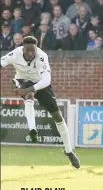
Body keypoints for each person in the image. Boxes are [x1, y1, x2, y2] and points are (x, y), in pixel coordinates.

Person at [0, 36, 80, 168]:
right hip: (23, 80)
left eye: (33, 51)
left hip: (40, 84)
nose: (31, 53)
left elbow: (46, 80)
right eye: (28, 51)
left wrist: (29, 89)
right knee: (29, 96)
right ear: (23, 49)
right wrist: (26, 90)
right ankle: (33, 129)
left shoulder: (42, 57)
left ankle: (69, 152)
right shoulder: (15, 54)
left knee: (57, 115)